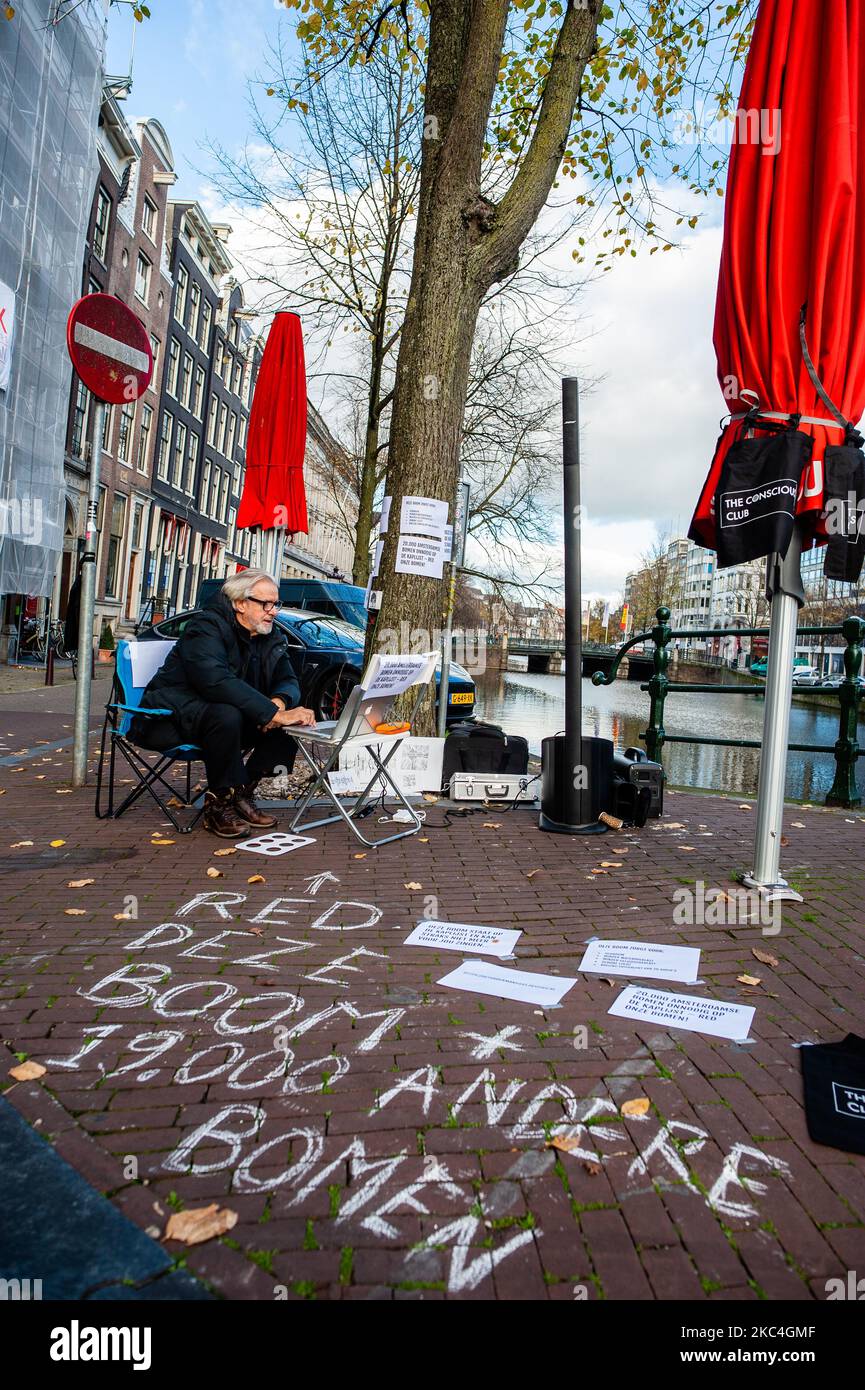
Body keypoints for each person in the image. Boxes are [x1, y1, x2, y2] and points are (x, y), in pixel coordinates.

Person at [133, 569, 316, 838]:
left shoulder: (269, 635)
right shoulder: (205, 628)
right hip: (169, 716)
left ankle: (241, 793)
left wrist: (278, 704)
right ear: (240, 603)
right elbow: (215, 681)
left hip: (227, 720)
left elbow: (288, 679)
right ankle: (218, 805)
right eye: (265, 604)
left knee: (290, 723)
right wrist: (270, 713)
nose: (273, 611)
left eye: (276, 603)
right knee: (227, 714)